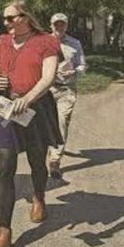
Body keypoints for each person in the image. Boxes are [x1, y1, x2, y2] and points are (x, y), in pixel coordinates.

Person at [0, 0, 61, 247]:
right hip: (6, 108)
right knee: (5, 165)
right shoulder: (2, 41)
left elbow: (48, 78)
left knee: (36, 160)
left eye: (11, 18)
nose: (5, 23)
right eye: (4, 18)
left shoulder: (46, 42)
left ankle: (39, 196)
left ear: (26, 17)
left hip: (35, 109)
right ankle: (4, 233)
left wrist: (27, 99)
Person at [47, 12, 87, 180]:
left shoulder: (74, 44)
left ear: (66, 25)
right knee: (45, 123)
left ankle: (55, 160)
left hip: (67, 90)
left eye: (62, 24)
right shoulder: (44, 42)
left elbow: (82, 65)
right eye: (56, 24)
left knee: (62, 122)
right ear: (51, 25)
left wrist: (75, 71)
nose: (59, 27)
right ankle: (46, 149)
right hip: (47, 89)